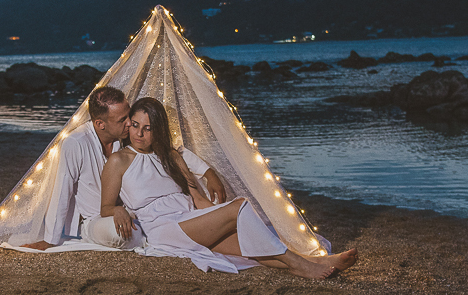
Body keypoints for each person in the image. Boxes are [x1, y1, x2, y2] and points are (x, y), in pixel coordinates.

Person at [100, 97, 358, 278]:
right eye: (135, 126)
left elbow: (198, 199)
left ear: (158, 131)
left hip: (189, 220)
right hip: (161, 227)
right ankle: (302, 266)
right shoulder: (119, 160)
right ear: (128, 125)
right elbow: (105, 207)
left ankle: (315, 262)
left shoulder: (171, 156)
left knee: (249, 248)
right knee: (240, 207)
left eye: (147, 129)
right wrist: (118, 211)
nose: (139, 134)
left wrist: (215, 218)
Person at [22, 86, 139, 250]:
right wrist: (50, 240)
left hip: (130, 211)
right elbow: (62, 190)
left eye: (129, 115)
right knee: (122, 234)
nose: (129, 123)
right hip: (95, 220)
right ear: (100, 124)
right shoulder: (76, 142)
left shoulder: (127, 136)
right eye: (122, 120)